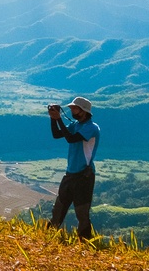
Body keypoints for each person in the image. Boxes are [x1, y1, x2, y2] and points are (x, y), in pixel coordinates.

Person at [47, 96, 100, 240]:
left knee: (81, 212)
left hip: (84, 175)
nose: (72, 111)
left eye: (74, 108)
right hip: (70, 173)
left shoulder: (91, 128)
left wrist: (58, 119)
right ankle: (48, 236)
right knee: (58, 208)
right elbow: (57, 135)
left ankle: (85, 242)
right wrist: (53, 119)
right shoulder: (75, 124)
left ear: (83, 111)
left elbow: (71, 138)